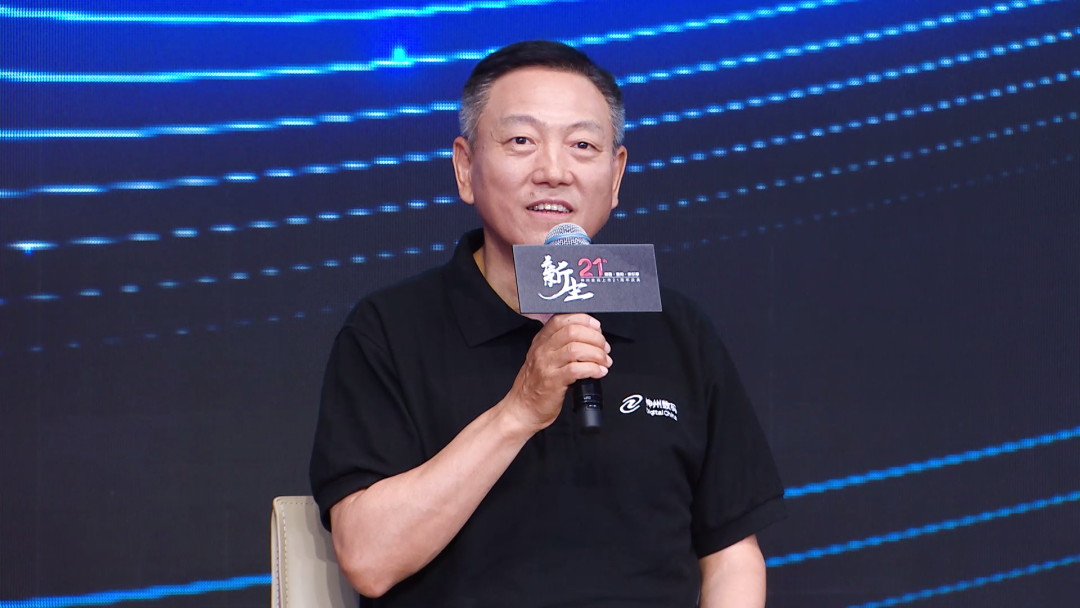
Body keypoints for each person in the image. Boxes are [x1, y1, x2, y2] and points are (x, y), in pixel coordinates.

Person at [310, 40, 786, 607]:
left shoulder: (677, 328)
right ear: (465, 167)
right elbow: (368, 559)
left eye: (582, 145)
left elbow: (732, 555)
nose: (554, 172)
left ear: (616, 175)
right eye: (522, 141)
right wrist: (519, 411)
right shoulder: (388, 330)